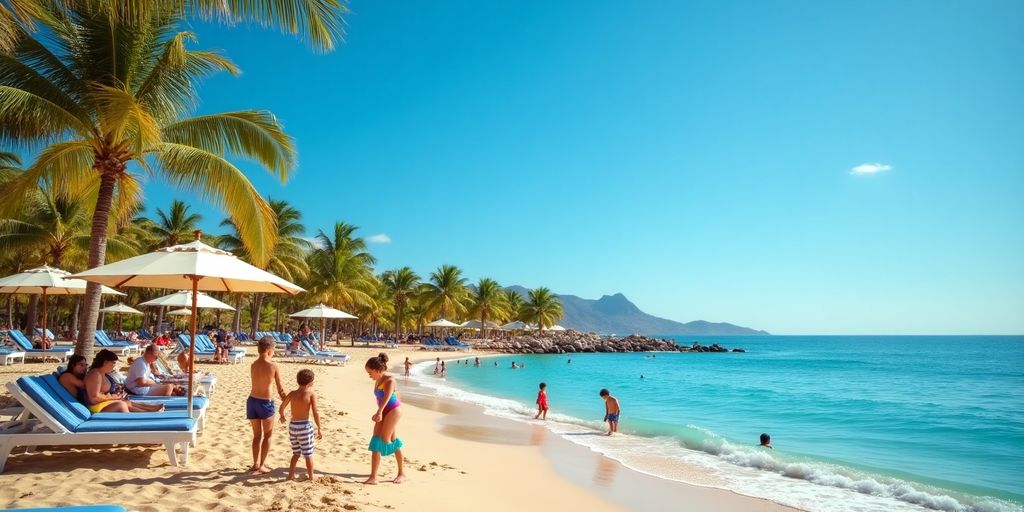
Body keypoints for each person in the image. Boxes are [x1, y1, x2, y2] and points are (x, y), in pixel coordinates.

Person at [364, 353, 405, 484]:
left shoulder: (390, 380)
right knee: (376, 440)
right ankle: (373, 477)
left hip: (393, 411)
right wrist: (379, 412)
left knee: (387, 440)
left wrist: (379, 412)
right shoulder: (378, 379)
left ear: (378, 370)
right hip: (383, 411)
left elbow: (387, 398)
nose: (369, 375)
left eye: (370, 372)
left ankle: (401, 473)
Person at [248, 336, 286, 474]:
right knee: (268, 435)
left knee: (256, 436)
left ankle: (255, 464)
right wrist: (288, 400)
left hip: (252, 401)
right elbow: (280, 388)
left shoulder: (253, 365)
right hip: (265, 402)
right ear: (270, 350)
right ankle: (262, 465)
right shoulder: (273, 365)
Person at [82, 349, 163, 413]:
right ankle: (141, 418)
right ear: (105, 362)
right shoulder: (95, 374)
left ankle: (151, 410)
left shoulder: (102, 373)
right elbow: (94, 398)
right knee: (121, 404)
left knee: (126, 402)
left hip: (101, 404)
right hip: (95, 408)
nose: (114, 366)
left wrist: (116, 395)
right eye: (113, 363)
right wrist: (112, 397)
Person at [279, 369, 323, 481]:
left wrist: (282, 416)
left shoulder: (292, 394)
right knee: (308, 453)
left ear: (297, 381)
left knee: (296, 453)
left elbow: (282, 407)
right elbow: (315, 412)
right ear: (311, 383)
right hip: (304, 427)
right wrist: (319, 428)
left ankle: (290, 475)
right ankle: (312, 476)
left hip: (293, 427)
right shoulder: (311, 394)